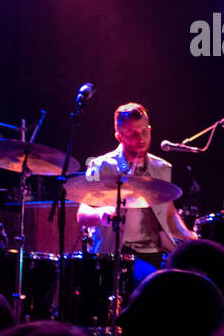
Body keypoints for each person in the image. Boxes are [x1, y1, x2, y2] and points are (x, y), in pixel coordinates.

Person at [78, 103, 198, 271]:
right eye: (133, 134)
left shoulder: (161, 168)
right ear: (119, 137)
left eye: (145, 132)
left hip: (155, 252)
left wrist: (189, 238)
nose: (141, 139)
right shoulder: (102, 166)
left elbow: (169, 216)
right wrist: (102, 215)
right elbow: (82, 215)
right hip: (115, 255)